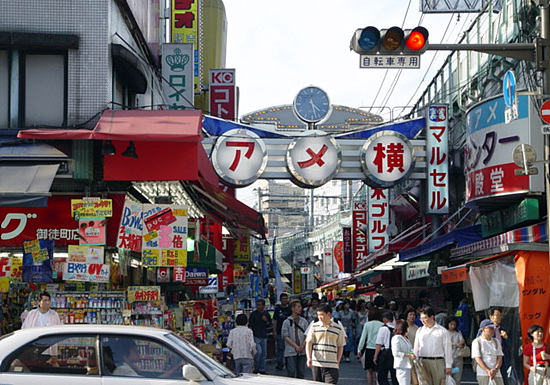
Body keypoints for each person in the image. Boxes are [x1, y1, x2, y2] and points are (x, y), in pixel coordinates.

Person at [305, 304, 346, 384]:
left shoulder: (338, 328)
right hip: (317, 363)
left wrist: (337, 361)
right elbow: (309, 343)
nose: (319, 317)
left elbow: (341, 345)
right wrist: (309, 358)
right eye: (318, 315)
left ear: (329, 314)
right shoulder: (314, 326)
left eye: (322, 315)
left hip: (332, 363)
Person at [413, 306, 452, 385]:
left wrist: (448, 365)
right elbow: (416, 348)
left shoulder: (442, 331)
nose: (423, 321)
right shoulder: (420, 331)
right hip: (423, 361)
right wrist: (415, 362)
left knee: (439, 382)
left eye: (425, 318)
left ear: (432, 317)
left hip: (437, 361)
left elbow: (448, 349)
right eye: (421, 318)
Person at [281, 299, 308, 378]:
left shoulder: (304, 321)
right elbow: (285, 336)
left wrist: (303, 345)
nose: (300, 309)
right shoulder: (287, 322)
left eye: (300, 307)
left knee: (301, 372)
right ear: (292, 308)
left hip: (302, 350)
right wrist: (296, 346)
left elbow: (307, 334)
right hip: (290, 350)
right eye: (298, 307)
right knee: (291, 371)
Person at [472, 319, 504, 385]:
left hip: (497, 373)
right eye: (490, 328)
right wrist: (488, 370)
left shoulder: (496, 341)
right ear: (483, 329)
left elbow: (499, 357)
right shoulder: (477, 342)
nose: (493, 331)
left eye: (493, 328)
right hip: (483, 373)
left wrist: (495, 369)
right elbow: (478, 359)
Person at [358, 308, 383, 385]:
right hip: (379, 349)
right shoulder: (382, 325)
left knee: (369, 371)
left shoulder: (367, 324)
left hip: (369, 349)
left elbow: (363, 338)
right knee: (377, 371)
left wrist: (359, 349)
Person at [248, 298, 272, 374]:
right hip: (256, 335)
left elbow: (269, 324)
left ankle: (262, 369)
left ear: (263, 306)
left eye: (260, 305)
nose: (258, 307)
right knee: (259, 352)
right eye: (257, 305)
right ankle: (256, 367)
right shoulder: (253, 314)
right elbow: (250, 325)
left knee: (264, 354)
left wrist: (266, 320)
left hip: (263, 335)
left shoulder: (266, 314)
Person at [374, 311, 398, 385]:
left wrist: (375, 356)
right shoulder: (396, 328)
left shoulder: (383, 329)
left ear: (384, 320)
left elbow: (379, 344)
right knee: (394, 375)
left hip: (385, 353)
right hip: (395, 353)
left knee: (382, 375)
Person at [391, 319, 416, 385]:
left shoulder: (405, 338)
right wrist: (408, 355)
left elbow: (410, 349)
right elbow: (396, 353)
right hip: (401, 366)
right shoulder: (397, 338)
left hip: (408, 365)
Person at [273, 293, 292, 370]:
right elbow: (275, 321)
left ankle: (289, 363)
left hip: (289, 332)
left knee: (288, 348)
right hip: (279, 331)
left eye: (285, 298)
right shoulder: (277, 309)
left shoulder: (290, 309)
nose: (284, 300)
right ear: (280, 300)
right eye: (283, 299)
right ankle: (280, 363)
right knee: (280, 348)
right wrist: (274, 331)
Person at [445, 315, 465, 385]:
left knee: (457, 377)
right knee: (448, 377)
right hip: (447, 359)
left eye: (454, 324)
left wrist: (462, 342)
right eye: (451, 324)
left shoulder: (458, 332)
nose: (453, 326)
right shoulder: (445, 332)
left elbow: (461, 341)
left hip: (457, 358)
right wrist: (456, 344)